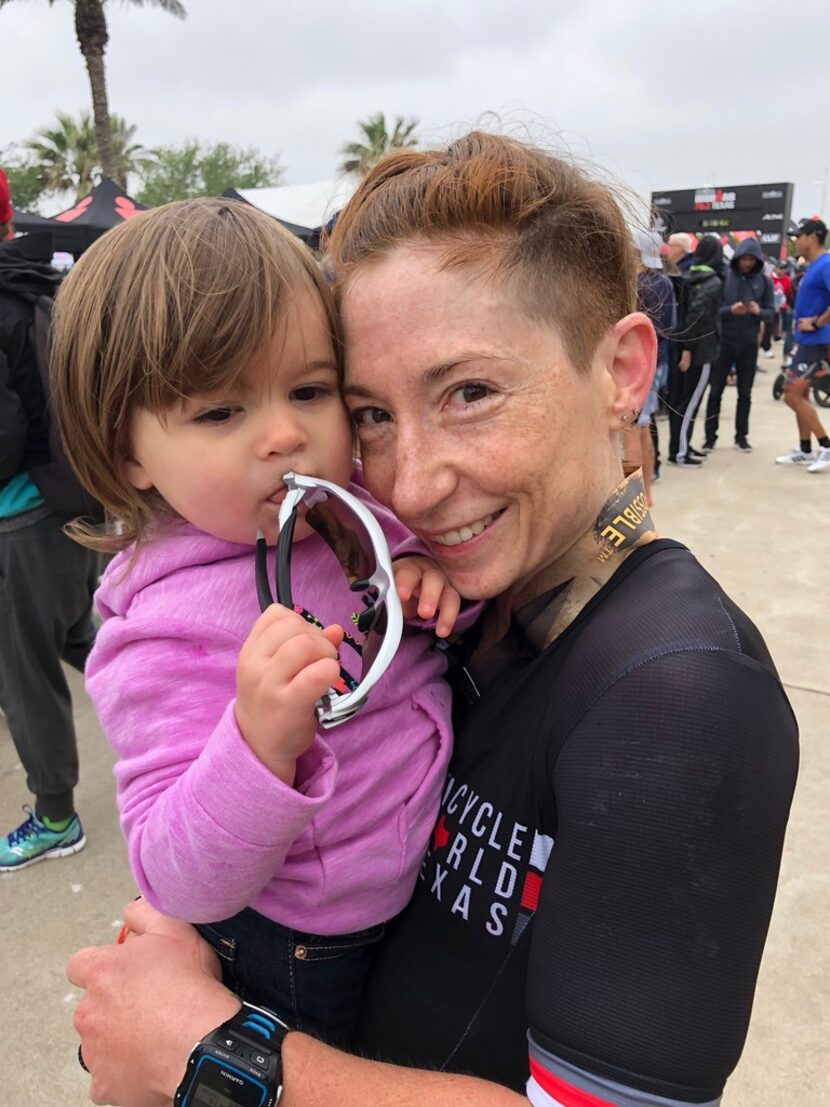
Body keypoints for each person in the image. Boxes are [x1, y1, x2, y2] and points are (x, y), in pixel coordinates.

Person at [66, 133, 798, 1107]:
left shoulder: (676, 691)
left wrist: (208, 1054)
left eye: (469, 393)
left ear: (623, 369)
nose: (407, 481)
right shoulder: (436, 589)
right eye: (369, 412)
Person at [49, 197, 466, 1046]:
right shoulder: (159, 632)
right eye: (218, 411)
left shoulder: (359, 518)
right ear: (129, 451)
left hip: (426, 894)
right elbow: (176, 877)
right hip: (303, 948)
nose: (285, 433)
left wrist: (427, 577)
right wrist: (256, 741)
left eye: (310, 389)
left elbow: (467, 600)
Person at [0, 231, 101, 870]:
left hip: (20, 517)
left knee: (23, 673)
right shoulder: (33, 280)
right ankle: (200, 713)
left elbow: (4, 431)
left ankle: (56, 817)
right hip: (69, 501)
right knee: (76, 638)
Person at [702, 237, 773, 453]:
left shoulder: (764, 281)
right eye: (744, 259)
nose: (747, 263)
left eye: (751, 260)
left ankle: (742, 436)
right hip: (724, 342)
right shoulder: (724, 277)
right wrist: (730, 310)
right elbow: (713, 311)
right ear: (738, 258)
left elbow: (771, 313)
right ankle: (710, 437)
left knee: (745, 393)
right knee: (716, 391)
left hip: (749, 344)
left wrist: (757, 311)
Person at [775, 217, 830, 473]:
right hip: (805, 341)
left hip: (816, 341)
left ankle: (826, 446)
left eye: (799, 236)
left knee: (791, 394)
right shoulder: (813, 266)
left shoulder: (826, 263)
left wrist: (817, 323)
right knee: (802, 394)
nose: (795, 241)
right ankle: (805, 449)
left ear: (813, 236)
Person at [668, 235, 723, 465]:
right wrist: (689, 349)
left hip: (681, 347)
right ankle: (680, 452)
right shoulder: (713, 282)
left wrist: (683, 347)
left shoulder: (687, 276)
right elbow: (698, 316)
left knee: (680, 400)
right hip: (699, 351)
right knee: (689, 403)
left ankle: (681, 446)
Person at [632, 228, 674, 499]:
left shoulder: (640, 283)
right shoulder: (664, 282)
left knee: (632, 430)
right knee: (643, 427)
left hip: (642, 365)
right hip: (657, 362)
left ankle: (638, 496)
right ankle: (645, 493)